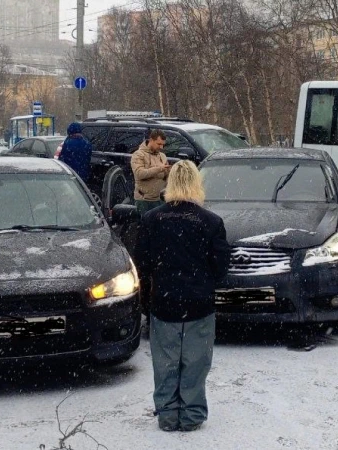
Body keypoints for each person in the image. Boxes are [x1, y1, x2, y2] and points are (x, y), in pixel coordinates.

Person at [134, 160, 232, 433]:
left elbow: (141, 262)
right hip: (199, 303)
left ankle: (167, 414)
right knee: (196, 362)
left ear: (170, 184)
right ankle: (191, 414)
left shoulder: (152, 219)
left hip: (164, 303)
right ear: (197, 184)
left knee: (165, 363)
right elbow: (221, 265)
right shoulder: (211, 222)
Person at [131, 129, 170, 214]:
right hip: (145, 200)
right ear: (151, 140)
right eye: (159, 144)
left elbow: (166, 177)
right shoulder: (138, 155)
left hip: (160, 199)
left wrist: (170, 171)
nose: (161, 147)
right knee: (146, 225)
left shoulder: (162, 156)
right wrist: (159, 168)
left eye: (163, 145)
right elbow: (139, 174)